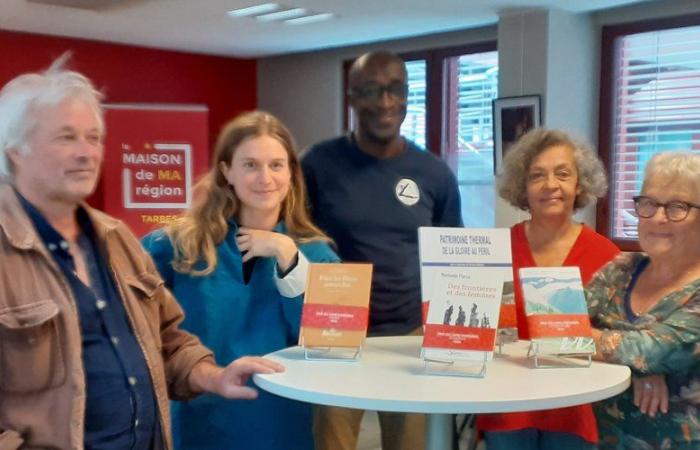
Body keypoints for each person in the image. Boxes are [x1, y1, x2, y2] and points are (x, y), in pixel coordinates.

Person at [0, 60, 283, 449]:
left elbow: (167, 340)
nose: (87, 153)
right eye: (66, 137)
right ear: (15, 150)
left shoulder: (117, 239)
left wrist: (213, 376)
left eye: (94, 137)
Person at [142, 110, 339, 450]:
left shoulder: (317, 254)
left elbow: (331, 346)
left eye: (276, 165)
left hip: (281, 423)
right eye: (250, 165)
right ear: (226, 171)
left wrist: (289, 260)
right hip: (200, 419)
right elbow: (135, 320)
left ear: (291, 173)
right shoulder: (179, 247)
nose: (265, 177)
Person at [302, 50, 463, 450]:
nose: (385, 103)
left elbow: (452, 257)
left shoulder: (434, 173)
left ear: (408, 96)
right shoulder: (318, 164)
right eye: (372, 91)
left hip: (408, 336)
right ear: (352, 98)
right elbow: (296, 243)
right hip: (334, 335)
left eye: (395, 90)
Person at [477, 128, 620, 450]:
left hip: (575, 407)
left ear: (579, 184)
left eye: (563, 174)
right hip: (508, 406)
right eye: (537, 176)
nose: (550, 185)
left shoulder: (607, 255)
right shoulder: (495, 250)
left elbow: (619, 333)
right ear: (522, 187)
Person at [587, 152, 700, 449]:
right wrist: (635, 368)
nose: (658, 218)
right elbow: (553, 328)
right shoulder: (621, 268)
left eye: (678, 206)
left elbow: (646, 351)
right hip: (608, 440)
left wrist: (639, 362)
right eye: (648, 203)